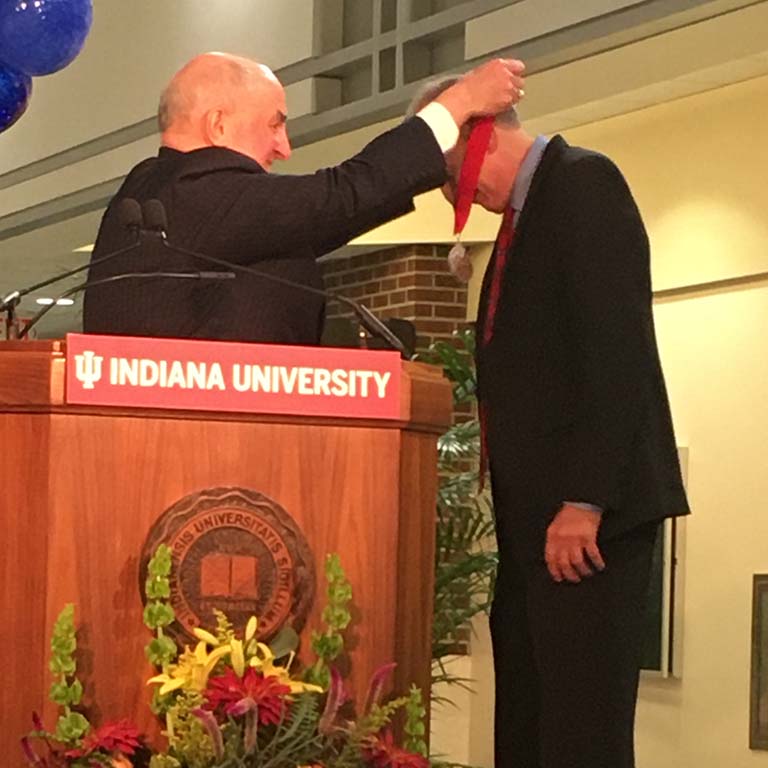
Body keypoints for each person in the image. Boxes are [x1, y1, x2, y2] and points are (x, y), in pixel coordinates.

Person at [409, 81, 691, 768]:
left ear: (480, 137)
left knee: (579, 732)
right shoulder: (523, 221)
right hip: (533, 524)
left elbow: (616, 352)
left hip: (583, 523)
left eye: (451, 177)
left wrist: (584, 499)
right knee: (531, 724)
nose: (456, 198)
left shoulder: (582, 185)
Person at [82, 52, 525, 343]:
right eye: (275, 124)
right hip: (212, 457)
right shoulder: (199, 190)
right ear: (218, 126)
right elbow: (345, 194)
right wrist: (460, 102)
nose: (284, 147)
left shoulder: (152, 189)